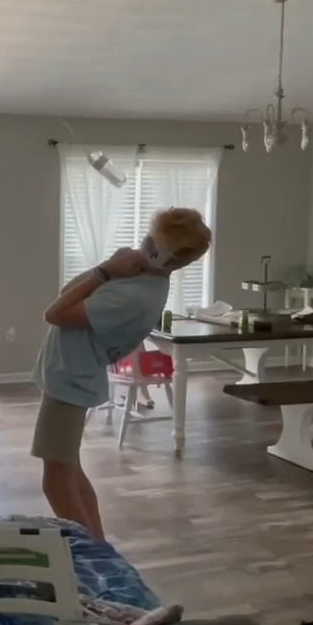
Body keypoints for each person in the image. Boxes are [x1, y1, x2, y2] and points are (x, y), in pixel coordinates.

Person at [31, 207, 212, 539]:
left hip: (71, 380)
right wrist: (109, 269)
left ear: (163, 256)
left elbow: (54, 313)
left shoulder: (133, 295)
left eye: (149, 245)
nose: (141, 248)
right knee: (69, 469)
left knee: (55, 481)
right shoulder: (139, 279)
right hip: (70, 374)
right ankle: (100, 546)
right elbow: (66, 295)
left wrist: (105, 271)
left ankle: (92, 556)